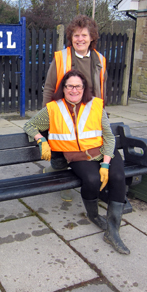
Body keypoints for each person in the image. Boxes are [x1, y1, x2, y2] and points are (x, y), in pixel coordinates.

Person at [24, 69, 129, 255]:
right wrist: (41, 140)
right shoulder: (53, 108)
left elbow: (109, 137)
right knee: (91, 179)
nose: (74, 90)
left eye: (78, 86)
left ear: (84, 88)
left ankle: (112, 230)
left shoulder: (96, 105)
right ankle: (94, 215)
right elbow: (29, 125)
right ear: (63, 89)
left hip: (104, 151)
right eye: (69, 86)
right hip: (77, 156)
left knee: (118, 176)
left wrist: (105, 164)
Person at [42, 15, 107, 202]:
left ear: (91, 37)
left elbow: (101, 90)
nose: (80, 39)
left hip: (89, 114)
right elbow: (49, 87)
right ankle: (62, 182)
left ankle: (96, 183)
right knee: (61, 153)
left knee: (90, 149)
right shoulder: (61, 58)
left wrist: (103, 114)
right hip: (65, 112)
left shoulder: (100, 60)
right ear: (71, 38)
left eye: (84, 35)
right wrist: (48, 115)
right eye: (76, 35)